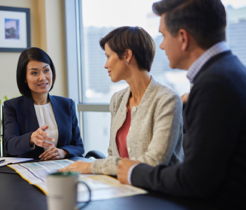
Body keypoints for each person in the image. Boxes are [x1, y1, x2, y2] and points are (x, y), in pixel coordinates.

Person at [117, 0, 246, 208]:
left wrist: (133, 171)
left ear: (183, 38)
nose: (161, 44)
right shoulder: (228, 71)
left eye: (164, 35)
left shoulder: (214, 84)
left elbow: (195, 180)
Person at [58, 26, 183, 175]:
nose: (105, 65)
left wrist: (92, 167)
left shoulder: (167, 100)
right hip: (122, 189)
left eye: (108, 56)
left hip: (157, 193)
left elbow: (154, 162)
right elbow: (113, 154)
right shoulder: (117, 99)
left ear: (127, 55)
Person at [4, 47, 84, 159]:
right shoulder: (13, 107)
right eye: (34, 73)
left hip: (63, 170)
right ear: (24, 78)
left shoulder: (67, 104)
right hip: (29, 171)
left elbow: (78, 146)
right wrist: (31, 138)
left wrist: (63, 152)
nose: (42, 78)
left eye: (46, 70)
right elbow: (10, 146)